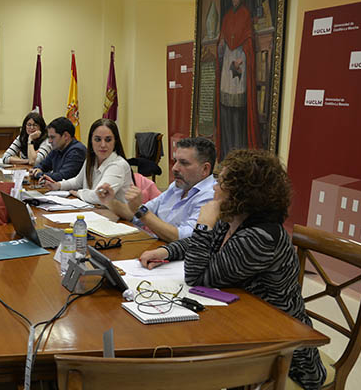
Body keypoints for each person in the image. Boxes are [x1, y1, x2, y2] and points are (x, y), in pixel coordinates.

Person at [139, 149, 326, 389]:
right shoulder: (234, 218)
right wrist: (166, 251)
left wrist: (204, 224)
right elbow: (197, 245)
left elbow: (197, 277)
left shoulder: (260, 237)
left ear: (243, 193)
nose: (215, 186)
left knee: (185, 371)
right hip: (243, 328)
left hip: (282, 353)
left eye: (223, 181)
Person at [99, 137, 216, 242]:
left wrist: (140, 210)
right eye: (175, 161)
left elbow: (183, 238)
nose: (175, 168)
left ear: (205, 169)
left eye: (184, 163)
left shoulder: (211, 196)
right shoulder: (177, 187)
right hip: (157, 250)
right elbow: (134, 216)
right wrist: (111, 202)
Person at [217, 0, 260, 159]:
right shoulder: (227, 17)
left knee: (238, 114)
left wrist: (241, 57)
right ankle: (227, 153)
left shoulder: (245, 14)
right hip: (227, 66)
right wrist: (221, 45)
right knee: (226, 111)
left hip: (239, 64)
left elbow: (248, 40)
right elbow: (222, 41)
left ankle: (238, 155)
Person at [43, 118, 133, 205]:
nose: (103, 145)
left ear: (115, 142)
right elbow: (78, 182)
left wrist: (79, 193)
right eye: (97, 139)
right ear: (91, 141)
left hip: (119, 218)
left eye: (108, 140)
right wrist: (58, 185)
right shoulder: (92, 159)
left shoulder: (118, 165)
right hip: (96, 211)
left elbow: (100, 196)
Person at [30, 117, 86, 182]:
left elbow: (62, 176)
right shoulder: (57, 148)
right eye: (49, 137)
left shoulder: (77, 151)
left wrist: (39, 174)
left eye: (52, 137)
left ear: (65, 136)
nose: (49, 141)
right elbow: (42, 165)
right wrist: (37, 170)